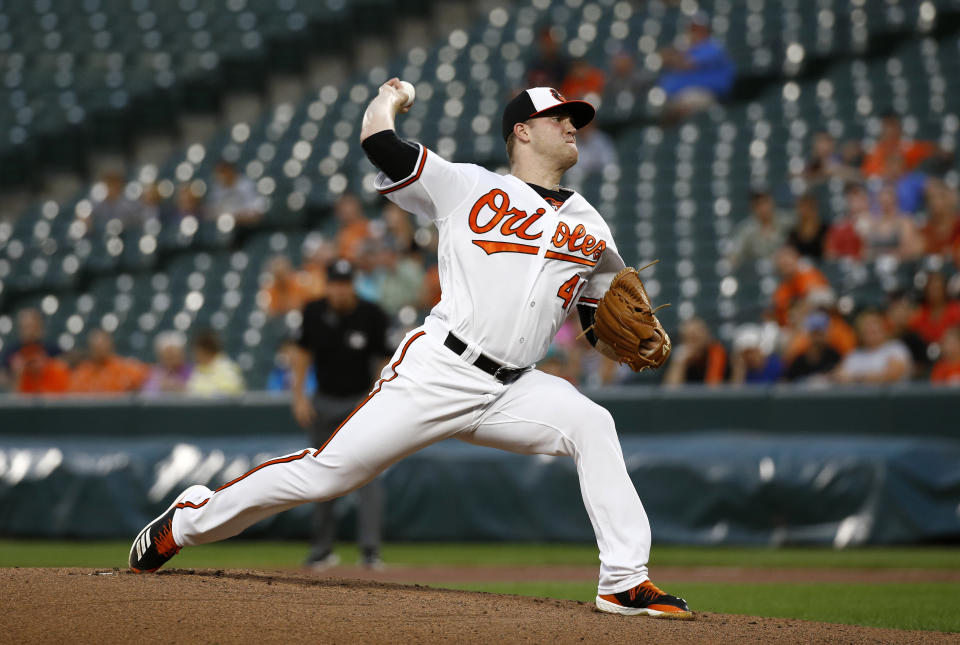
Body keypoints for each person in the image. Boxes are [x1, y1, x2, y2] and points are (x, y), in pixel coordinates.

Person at [129, 81, 693, 620]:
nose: (573, 125)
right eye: (560, 117)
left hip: (515, 386)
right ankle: (189, 520)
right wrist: (387, 99)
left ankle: (623, 580)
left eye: (577, 120)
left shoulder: (589, 223)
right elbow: (379, 142)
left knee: (592, 423)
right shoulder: (469, 186)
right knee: (326, 475)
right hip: (441, 368)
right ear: (522, 131)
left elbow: (600, 316)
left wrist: (630, 337)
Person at [288, 259, 392, 569]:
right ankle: (321, 550)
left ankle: (370, 551)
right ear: (328, 283)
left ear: (353, 284)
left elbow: (386, 358)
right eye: (335, 282)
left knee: (369, 476)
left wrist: (377, 399)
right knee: (319, 474)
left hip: (359, 401)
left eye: (345, 283)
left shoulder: (372, 313)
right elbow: (301, 353)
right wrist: (299, 397)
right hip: (324, 400)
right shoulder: (313, 311)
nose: (339, 289)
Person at [657, 12, 735, 122]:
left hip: (705, 95)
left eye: (698, 30)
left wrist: (671, 56)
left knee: (687, 102)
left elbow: (687, 64)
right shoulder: (687, 51)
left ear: (706, 31)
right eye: (691, 30)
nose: (694, 34)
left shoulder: (713, 47)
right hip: (675, 97)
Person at [832, 310, 911, 384]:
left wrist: (856, 378)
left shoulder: (895, 347)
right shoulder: (854, 355)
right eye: (867, 329)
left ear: (883, 329)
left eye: (874, 329)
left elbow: (891, 375)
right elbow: (838, 375)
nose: (871, 332)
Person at [69, 329, 149, 393]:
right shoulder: (82, 372)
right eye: (96, 347)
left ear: (111, 346)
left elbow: (145, 376)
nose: (99, 350)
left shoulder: (125, 367)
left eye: (102, 346)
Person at [0, 308, 62, 391]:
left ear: (40, 327)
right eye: (24, 327)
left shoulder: (52, 349)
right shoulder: (10, 351)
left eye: (32, 327)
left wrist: (48, 367)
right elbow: (3, 379)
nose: (28, 332)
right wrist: (15, 373)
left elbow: (65, 370)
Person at [727, 190, 791, 268]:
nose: (763, 208)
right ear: (752, 207)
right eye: (758, 204)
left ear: (772, 202)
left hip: (786, 270)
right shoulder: (745, 229)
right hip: (757, 273)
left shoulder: (786, 220)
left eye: (765, 202)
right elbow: (734, 253)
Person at [861, 112, 936, 179]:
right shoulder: (874, 151)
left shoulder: (909, 147)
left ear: (900, 127)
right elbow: (867, 174)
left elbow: (933, 150)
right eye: (887, 125)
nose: (890, 129)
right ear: (881, 128)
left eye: (893, 124)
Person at [770, 246, 829, 327]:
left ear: (796, 259)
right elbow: (779, 318)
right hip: (790, 331)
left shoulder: (809, 275)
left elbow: (822, 301)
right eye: (782, 264)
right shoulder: (780, 291)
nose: (785, 266)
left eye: (787, 263)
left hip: (818, 327)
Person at [663, 317, 727, 386]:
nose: (694, 344)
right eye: (689, 338)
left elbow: (713, 390)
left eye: (696, 338)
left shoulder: (716, 352)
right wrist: (680, 364)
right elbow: (670, 392)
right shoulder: (681, 357)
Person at [783, 311, 842, 383]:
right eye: (814, 333)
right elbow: (786, 382)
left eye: (820, 333)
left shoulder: (834, 357)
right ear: (809, 334)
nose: (817, 338)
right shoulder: (799, 361)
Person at [185, 329, 245, 395]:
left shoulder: (227, 368)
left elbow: (229, 395)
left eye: (196, 351)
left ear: (203, 350)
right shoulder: (198, 369)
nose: (194, 355)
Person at [207, 160, 266, 226]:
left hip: (247, 227)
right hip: (225, 225)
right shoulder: (217, 187)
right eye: (218, 173)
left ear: (230, 171)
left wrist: (235, 217)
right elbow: (212, 212)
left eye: (223, 172)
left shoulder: (247, 185)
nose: (220, 176)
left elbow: (257, 213)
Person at [909, 272, 960, 346]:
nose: (935, 293)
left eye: (938, 289)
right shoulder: (919, 313)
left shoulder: (955, 310)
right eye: (931, 289)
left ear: (944, 290)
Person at [824, 182, 867, 262]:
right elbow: (830, 253)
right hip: (843, 265)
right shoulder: (838, 226)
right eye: (852, 199)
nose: (856, 202)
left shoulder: (876, 223)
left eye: (860, 198)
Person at [786, 193, 828, 261]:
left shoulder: (824, 229)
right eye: (800, 207)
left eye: (806, 207)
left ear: (814, 209)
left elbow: (828, 254)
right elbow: (790, 252)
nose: (803, 211)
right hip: (800, 267)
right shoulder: (794, 232)